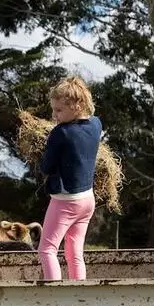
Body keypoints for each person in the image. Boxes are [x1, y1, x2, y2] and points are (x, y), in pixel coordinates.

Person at [37, 76, 102, 281]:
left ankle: (54, 297)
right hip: (87, 200)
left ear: (77, 105)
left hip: (66, 201)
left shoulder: (60, 133)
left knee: (47, 248)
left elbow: (46, 167)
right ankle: (78, 294)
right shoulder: (96, 124)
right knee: (74, 251)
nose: (54, 115)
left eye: (59, 110)